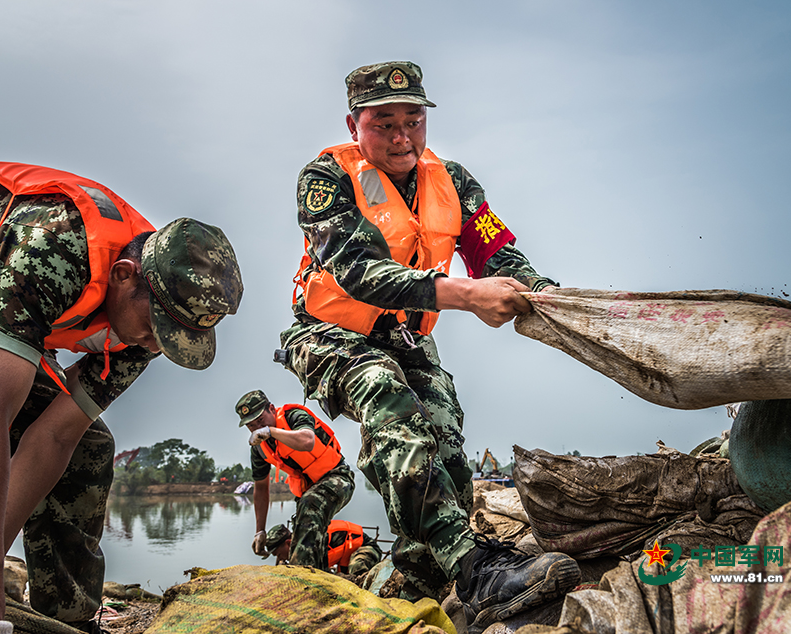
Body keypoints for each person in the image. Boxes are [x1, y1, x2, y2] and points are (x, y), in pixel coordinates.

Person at [278, 61, 581, 629]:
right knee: (387, 399)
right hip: (329, 334)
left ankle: (405, 586)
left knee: (448, 454)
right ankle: (477, 572)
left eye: (413, 121)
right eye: (383, 122)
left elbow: (495, 251)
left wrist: (543, 292)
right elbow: (358, 271)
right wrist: (466, 295)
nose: (401, 136)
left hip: (408, 338)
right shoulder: (325, 181)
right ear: (354, 126)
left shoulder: (455, 182)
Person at [0, 162, 243, 634]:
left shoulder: (149, 331)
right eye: (159, 329)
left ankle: (67, 618)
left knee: (87, 451)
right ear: (123, 275)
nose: (158, 346)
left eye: (176, 338)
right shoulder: (54, 245)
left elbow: (53, 437)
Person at [236, 389, 354, 569]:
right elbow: (261, 488)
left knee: (310, 504)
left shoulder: (294, 416)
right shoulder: (259, 448)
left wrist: (271, 431)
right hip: (310, 490)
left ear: (272, 409)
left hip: (338, 477)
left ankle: (300, 579)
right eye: (251, 426)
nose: (257, 428)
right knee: (306, 529)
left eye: (260, 421)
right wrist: (260, 530)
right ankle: (320, 576)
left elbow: (307, 441)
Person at [264, 520, 383, 577]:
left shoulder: (311, 544)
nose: (281, 558)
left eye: (279, 554)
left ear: (288, 543)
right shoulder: (299, 546)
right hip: (346, 559)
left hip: (367, 549)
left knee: (356, 568)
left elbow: (321, 574)